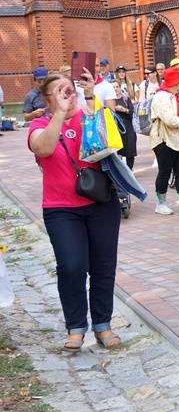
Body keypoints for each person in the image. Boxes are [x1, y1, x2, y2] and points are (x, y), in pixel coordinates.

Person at [28, 69, 122, 351]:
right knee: (72, 266)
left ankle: (103, 326)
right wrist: (58, 113)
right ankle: (76, 327)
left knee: (103, 267)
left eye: (70, 89)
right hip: (61, 209)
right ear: (46, 99)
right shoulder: (40, 126)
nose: (67, 96)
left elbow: (112, 140)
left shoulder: (90, 116)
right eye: (59, 92)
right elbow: (42, 149)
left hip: (101, 203)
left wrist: (92, 96)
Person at [149, 66, 179, 216]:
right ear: (175, 83)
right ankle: (161, 203)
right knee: (164, 171)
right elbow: (169, 120)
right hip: (165, 140)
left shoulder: (176, 96)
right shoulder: (162, 96)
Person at [110, 80, 137, 170]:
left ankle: (129, 171)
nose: (115, 89)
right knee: (117, 152)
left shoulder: (125, 98)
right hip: (115, 129)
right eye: (113, 87)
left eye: (117, 87)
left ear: (120, 88)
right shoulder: (108, 100)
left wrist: (124, 110)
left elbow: (133, 112)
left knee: (130, 150)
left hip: (128, 127)